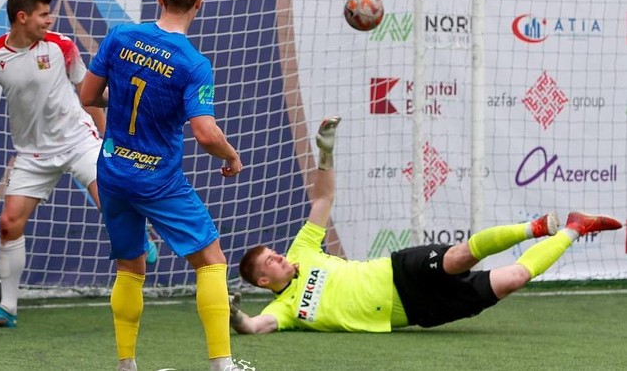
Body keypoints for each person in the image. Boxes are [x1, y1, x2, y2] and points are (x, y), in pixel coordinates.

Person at [229, 115, 624, 334]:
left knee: (456, 257)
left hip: (397, 270)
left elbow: (323, 199)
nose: (280, 257)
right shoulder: (286, 309)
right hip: (416, 310)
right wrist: (235, 317)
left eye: (274, 253)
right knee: (514, 279)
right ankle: (575, 227)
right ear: (264, 282)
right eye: (271, 262)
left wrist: (326, 152)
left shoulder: (302, 250)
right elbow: (255, 326)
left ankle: (531, 228)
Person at [79, 0, 243, 371]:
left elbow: (87, 94)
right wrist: (231, 156)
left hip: (113, 172)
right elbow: (206, 134)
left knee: (130, 265)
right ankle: (222, 365)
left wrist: (116, 104)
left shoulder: (120, 36)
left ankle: (126, 363)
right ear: (199, 4)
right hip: (158, 179)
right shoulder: (193, 64)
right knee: (211, 260)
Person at [0, 0, 108, 328]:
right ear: (22, 17)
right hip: (32, 154)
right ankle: (7, 309)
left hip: (78, 140)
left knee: (111, 202)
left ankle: (139, 239)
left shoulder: (62, 46)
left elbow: (87, 94)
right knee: (7, 224)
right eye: (43, 14)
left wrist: (107, 137)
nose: (50, 19)